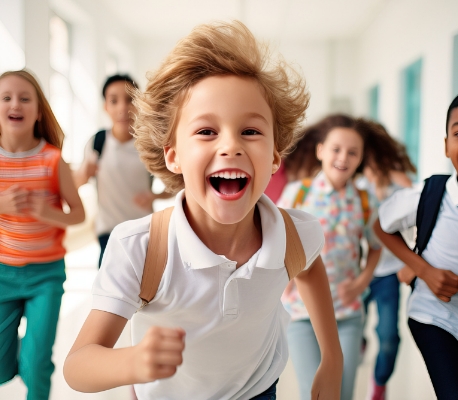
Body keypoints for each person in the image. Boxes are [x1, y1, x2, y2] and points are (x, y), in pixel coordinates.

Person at [63, 21, 344, 400]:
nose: (230, 146)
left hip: (257, 389)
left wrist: (332, 357)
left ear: (275, 157)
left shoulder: (295, 234)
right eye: (206, 132)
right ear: (174, 156)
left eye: (251, 131)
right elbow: (78, 365)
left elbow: (309, 269)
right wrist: (131, 363)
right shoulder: (140, 248)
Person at [278, 115, 382, 400]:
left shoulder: (364, 200)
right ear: (321, 150)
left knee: (342, 394)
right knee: (312, 393)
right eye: (336, 149)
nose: (343, 158)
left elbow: (376, 245)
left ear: (360, 159)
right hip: (301, 312)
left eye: (352, 152)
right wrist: (282, 279)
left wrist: (363, 281)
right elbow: (276, 240)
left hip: (347, 312)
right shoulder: (297, 194)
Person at [0, 70, 85, 400]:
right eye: (5, 97)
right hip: (3, 273)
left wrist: (45, 213)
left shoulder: (52, 160)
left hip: (46, 275)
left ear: (38, 111)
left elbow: (77, 213)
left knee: (36, 365)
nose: (14, 104)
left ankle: (34, 354)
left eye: (25, 98)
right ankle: (24, 350)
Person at [373, 95, 458, 400]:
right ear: (446, 144)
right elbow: (380, 224)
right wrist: (425, 271)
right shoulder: (427, 194)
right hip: (435, 316)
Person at [73, 74, 171, 267]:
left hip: (144, 233)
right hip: (108, 234)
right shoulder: (96, 143)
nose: (122, 108)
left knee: (145, 293)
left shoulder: (149, 144)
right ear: (105, 106)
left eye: (130, 100)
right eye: (114, 101)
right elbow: (75, 184)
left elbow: (176, 183)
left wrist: (154, 196)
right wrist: (85, 172)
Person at [358, 120, 416, 400]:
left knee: (389, 337)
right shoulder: (353, 181)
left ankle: (379, 383)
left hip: (389, 274)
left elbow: (420, 218)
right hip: (355, 272)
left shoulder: (400, 181)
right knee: (351, 328)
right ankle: (358, 341)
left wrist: (414, 260)